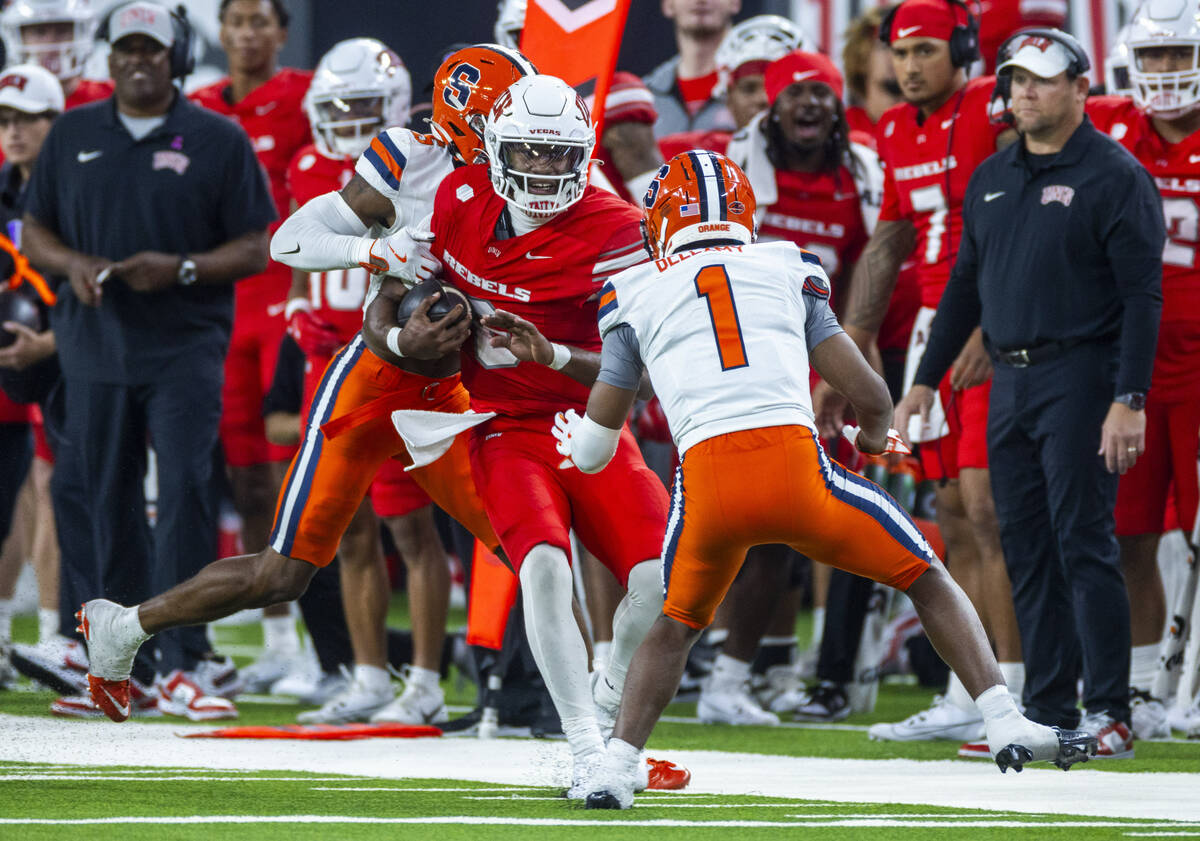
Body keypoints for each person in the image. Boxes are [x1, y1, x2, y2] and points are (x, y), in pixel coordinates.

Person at [559, 150, 1095, 810]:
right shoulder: (784, 263)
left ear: (662, 221)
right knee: (925, 574)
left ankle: (617, 764)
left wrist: (577, 440)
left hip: (708, 485)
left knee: (675, 624)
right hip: (794, 470)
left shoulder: (634, 289)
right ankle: (1003, 717)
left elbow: (595, 443)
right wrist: (872, 433)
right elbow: (868, 391)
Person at [70, 43, 530, 726]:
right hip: (372, 382)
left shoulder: (533, 175)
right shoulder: (411, 156)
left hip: (447, 389)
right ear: (469, 123)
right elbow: (289, 239)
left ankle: (567, 715)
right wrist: (370, 249)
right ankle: (126, 624)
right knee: (284, 571)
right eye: (509, 122)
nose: (529, 146)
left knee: (534, 545)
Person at [894, 28, 1164, 760]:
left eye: (1042, 81)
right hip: (1008, 380)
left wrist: (1128, 396)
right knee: (1026, 545)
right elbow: (962, 288)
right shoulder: (992, 175)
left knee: (1084, 541)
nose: (1024, 93)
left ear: (1082, 88)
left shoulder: (1114, 174)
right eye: (1015, 81)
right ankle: (1047, 706)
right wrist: (923, 379)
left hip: (1082, 375)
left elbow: (1143, 296)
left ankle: (1109, 709)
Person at [21, 0, 277, 719]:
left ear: (177, 59)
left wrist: (184, 269)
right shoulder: (71, 133)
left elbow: (256, 245)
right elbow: (35, 226)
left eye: (152, 49)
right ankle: (114, 662)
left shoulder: (217, 139)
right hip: (93, 344)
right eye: (126, 47)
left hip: (184, 347)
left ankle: (185, 660)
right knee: (103, 497)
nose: (138, 59)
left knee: (189, 491)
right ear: (109, 56)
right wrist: (69, 264)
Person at [417, 74, 668, 796]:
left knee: (658, 580)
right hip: (501, 427)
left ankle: (611, 679)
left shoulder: (617, 228)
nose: (546, 170)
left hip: (589, 421)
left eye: (562, 156)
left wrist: (551, 354)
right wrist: (415, 320)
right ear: (496, 149)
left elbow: (640, 372)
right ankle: (587, 745)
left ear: (586, 153)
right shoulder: (459, 198)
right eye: (530, 151)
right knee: (545, 569)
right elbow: (410, 289)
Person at [820, 0, 1025, 747]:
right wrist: (848, 348)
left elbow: (1022, 218)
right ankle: (968, 689)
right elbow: (889, 242)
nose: (908, 66)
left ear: (964, 49)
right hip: (936, 333)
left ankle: (1017, 688)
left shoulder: (987, 107)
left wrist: (989, 326)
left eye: (925, 50)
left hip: (997, 324)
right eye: (899, 53)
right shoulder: (897, 129)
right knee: (953, 512)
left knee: (989, 509)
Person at [281, 37, 455, 726]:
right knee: (347, 530)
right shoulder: (306, 164)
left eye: (361, 105)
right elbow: (305, 238)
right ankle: (367, 673)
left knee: (411, 529)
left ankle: (428, 679)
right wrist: (298, 300)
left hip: (396, 356)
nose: (348, 118)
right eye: (338, 107)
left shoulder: (412, 161)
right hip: (325, 358)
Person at [1086, 0, 1200, 740]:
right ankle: (1139, 689)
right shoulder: (1104, 125)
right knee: (1124, 534)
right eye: (1152, 56)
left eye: (1177, 54)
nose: (1162, 71)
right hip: (1129, 365)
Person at [189, 0, 312, 680]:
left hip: (288, 293)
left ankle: (306, 634)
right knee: (243, 472)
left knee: (291, 462)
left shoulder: (305, 95)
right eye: (236, 20)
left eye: (260, 20)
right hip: (223, 303)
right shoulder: (200, 106)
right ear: (222, 30)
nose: (246, 33)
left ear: (281, 32)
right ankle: (276, 635)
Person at [0, 64, 65, 697]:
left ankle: (56, 635)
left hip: (72, 356)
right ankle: (16, 636)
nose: (13, 132)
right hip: (13, 358)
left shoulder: (76, 186)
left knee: (61, 487)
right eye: (4, 120)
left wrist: (52, 338)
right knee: (22, 489)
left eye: (26, 118)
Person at [658, 13, 806, 158]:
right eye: (749, 89)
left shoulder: (825, 162)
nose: (763, 99)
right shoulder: (701, 155)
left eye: (775, 87)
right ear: (729, 100)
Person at [644, 0, 740, 137]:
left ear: (735, 3)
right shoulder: (645, 98)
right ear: (668, 4)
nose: (700, 1)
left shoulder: (760, 89)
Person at [0, 0, 113, 109]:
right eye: (39, 32)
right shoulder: (4, 99)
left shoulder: (112, 98)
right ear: (20, 37)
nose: (51, 45)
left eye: (62, 31)